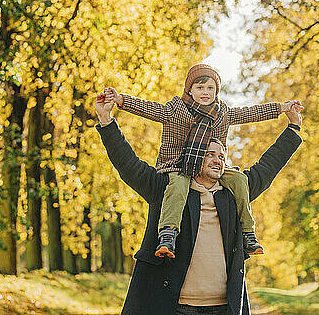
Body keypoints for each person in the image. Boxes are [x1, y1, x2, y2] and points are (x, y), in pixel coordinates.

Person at [94, 92, 304, 315]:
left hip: (224, 307)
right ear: (195, 156)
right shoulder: (166, 188)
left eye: (222, 156)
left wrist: (293, 127)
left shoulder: (233, 193)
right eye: (210, 154)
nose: (217, 160)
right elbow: (129, 164)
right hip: (174, 307)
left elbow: (268, 166)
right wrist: (107, 121)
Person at [104, 64, 301, 258]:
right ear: (189, 90)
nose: (205, 92)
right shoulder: (176, 111)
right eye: (199, 87)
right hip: (178, 166)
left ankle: (248, 234)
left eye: (210, 88)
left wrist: (282, 108)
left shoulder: (223, 114)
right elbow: (149, 109)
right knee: (178, 186)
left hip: (215, 170)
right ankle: (168, 233)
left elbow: (251, 113)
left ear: (217, 91)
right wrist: (120, 100)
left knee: (240, 180)